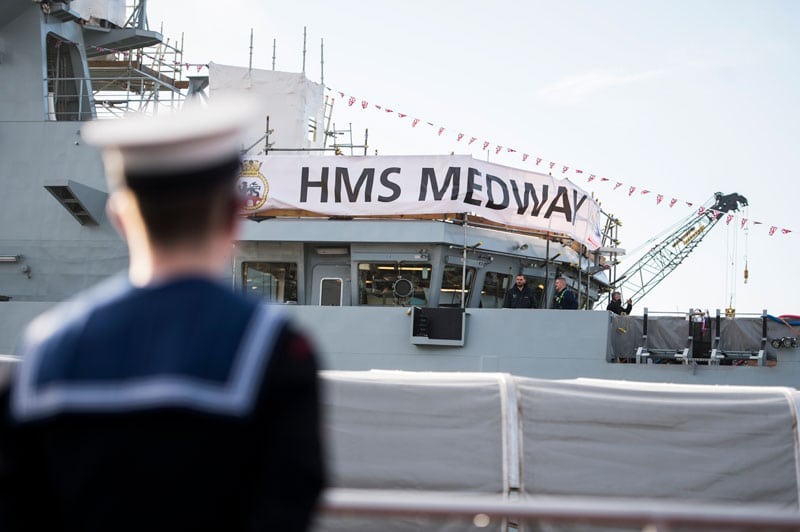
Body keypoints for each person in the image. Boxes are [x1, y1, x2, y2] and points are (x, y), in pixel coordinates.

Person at [0, 99, 325, 531]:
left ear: (119, 217)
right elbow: (288, 503)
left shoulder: (45, 348)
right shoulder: (273, 346)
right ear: (233, 215)